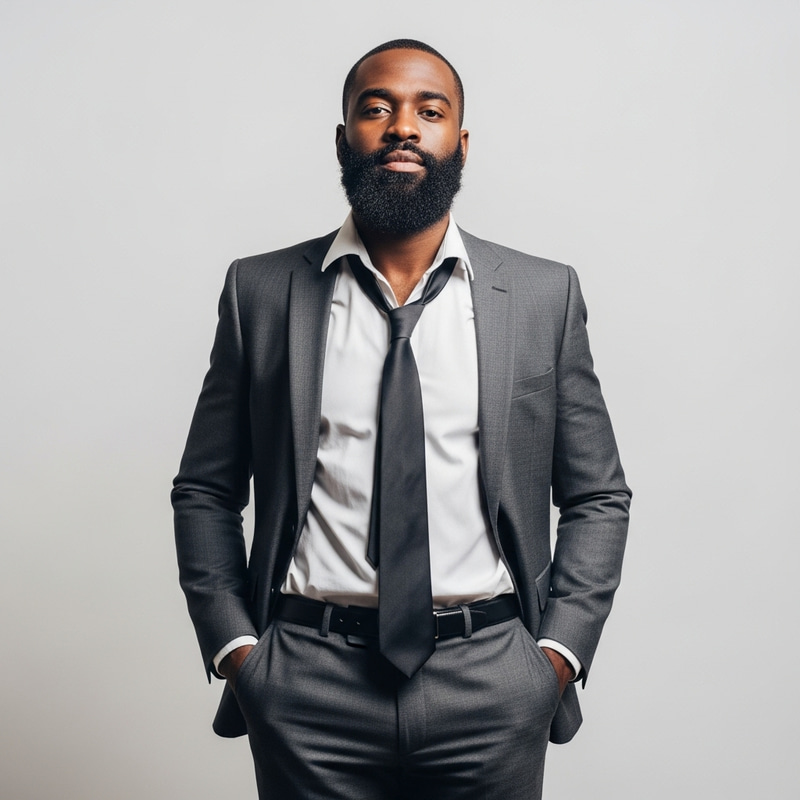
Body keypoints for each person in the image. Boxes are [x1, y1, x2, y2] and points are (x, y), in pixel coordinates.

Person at [172, 39, 631, 800]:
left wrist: (554, 658)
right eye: (376, 108)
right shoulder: (262, 291)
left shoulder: (544, 297)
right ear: (345, 136)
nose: (402, 127)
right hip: (307, 683)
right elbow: (206, 489)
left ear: (461, 141)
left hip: (491, 680)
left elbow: (597, 495)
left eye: (430, 110)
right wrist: (238, 651)